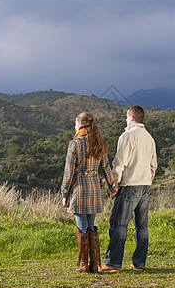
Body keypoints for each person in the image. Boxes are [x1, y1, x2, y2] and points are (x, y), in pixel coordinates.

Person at [101, 105, 157, 272]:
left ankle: (112, 263)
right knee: (142, 226)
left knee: (118, 224)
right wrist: (147, 179)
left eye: (126, 117)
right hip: (145, 186)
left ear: (131, 118)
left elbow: (120, 163)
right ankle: (139, 263)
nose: (126, 120)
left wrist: (114, 184)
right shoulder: (150, 138)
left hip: (129, 186)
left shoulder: (127, 135)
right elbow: (153, 165)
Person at [61, 112, 118, 273]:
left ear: (80, 125)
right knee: (91, 226)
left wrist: (64, 193)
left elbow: (68, 172)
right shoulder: (99, 143)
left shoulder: (75, 144)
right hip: (94, 189)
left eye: (75, 124)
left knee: (82, 227)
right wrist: (113, 187)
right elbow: (106, 168)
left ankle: (84, 265)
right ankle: (94, 264)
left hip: (79, 189)